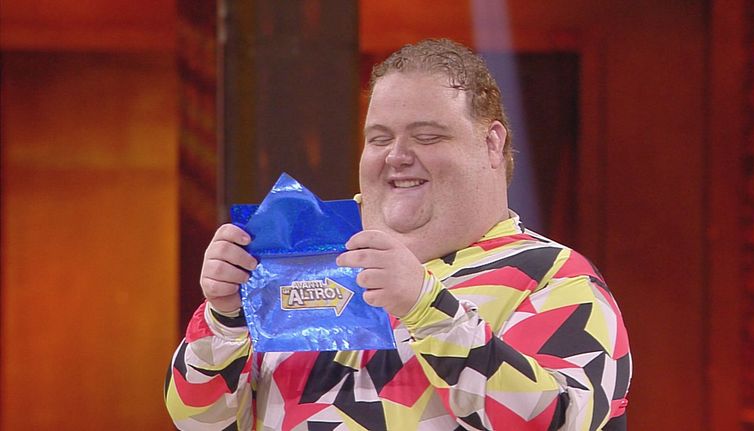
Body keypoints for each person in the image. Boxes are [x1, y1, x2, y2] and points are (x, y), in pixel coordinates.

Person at [164, 38, 632, 430]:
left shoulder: (554, 277)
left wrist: (426, 308)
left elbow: (558, 423)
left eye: (427, 136)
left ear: (492, 144)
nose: (397, 155)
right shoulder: (309, 267)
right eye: (380, 138)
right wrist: (225, 318)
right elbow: (200, 422)